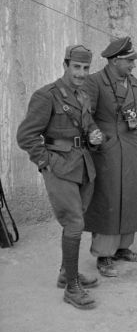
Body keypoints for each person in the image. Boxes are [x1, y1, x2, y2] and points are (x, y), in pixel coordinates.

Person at [17, 45, 103, 309]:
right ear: (65, 65)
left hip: (83, 165)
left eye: (86, 68)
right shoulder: (47, 96)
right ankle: (71, 288)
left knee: (76, 220)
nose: (81, 73)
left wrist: (95, 135)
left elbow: (87, 126)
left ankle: (68, 272)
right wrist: (45, 163)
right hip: (60, 168)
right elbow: (26, 136)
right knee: (75, 223)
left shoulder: (84, 94)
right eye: (76, 67)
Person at [82, 36, 137, 277]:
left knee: (130, 197)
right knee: (107, 199)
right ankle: (103, 254)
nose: (133, 65)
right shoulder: (94, 82)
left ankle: (122, 248)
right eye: (129, 61)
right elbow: (85, 116)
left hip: (131, 148)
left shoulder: (134, 83)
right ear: (115, 60)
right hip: (107, 150)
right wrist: (94, 135)